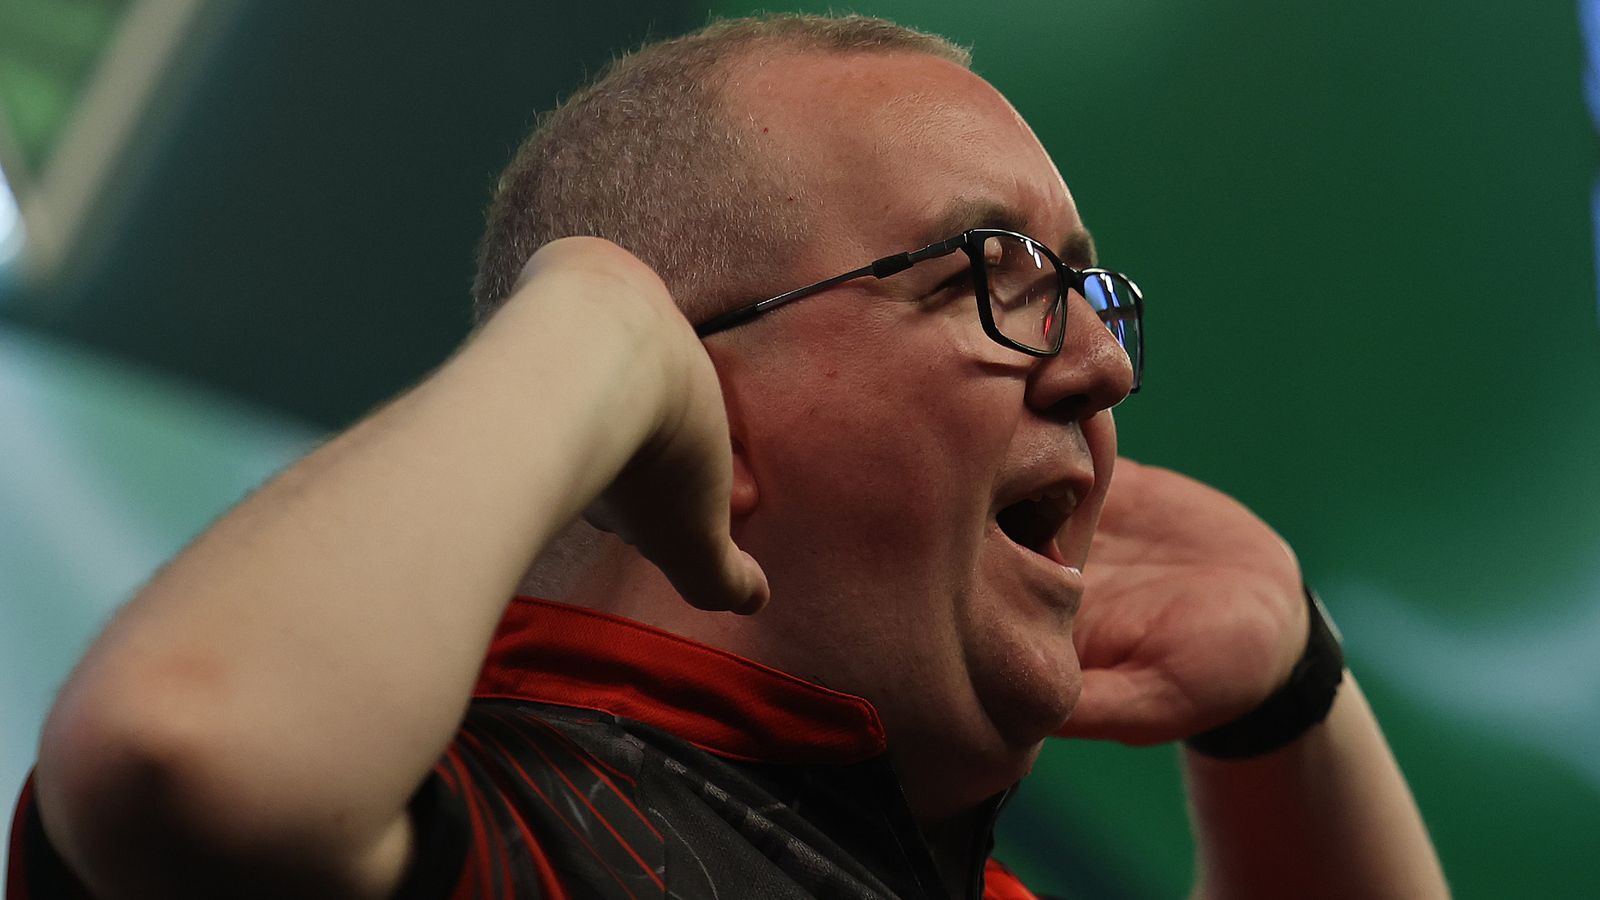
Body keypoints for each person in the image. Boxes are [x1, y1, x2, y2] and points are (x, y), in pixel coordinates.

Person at [7, 14, 1448, 899]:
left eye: (1087, 292)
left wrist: (1287, 693)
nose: (1104, 366)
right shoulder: (512, 826)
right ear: (695, 400)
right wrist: (591, 316)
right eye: (988, 272)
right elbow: (187, 757)